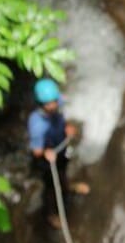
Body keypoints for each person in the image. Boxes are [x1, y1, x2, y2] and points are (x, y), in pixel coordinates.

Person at [27, 78, 89, 228]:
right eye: (49, 103)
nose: (54, 105)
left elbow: (61, 118)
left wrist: (67, 128)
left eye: (54, 100)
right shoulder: (37, 124)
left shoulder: (57, 104)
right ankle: (51, 214)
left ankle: (68, 186)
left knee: (63, 174)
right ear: (41, 104)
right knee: (51, 188)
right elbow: (36, 151)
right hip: (47, 160)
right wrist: (46, 153)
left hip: (59, 151)